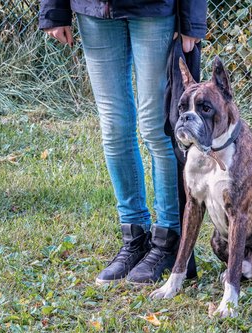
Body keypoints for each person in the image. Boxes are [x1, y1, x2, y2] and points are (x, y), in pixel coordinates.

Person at [39, 0, 207, 285]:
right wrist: (54, 10)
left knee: (157, 128)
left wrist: (191, 20)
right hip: (93, 11)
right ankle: (134, 237)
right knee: (114, 129)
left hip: (154, 11)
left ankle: (168, 241)